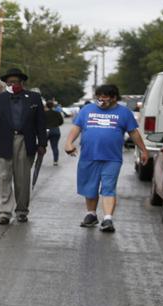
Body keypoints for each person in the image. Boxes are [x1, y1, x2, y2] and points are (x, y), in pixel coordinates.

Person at [64, 83, 148, 234]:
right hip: (89, 156)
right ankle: (91, 214)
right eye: (98, 97)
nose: (100, 100)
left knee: (108, 187)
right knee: (90, 187)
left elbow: (134, 133)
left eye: (104, 97)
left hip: (112, 158)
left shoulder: (124, 113)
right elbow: (77, 127)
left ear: (114, 98)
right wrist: (69, 143)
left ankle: (108, 219)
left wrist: (143, 150)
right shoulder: (87, 110)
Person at [0, 68, 43, 224]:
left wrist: (42, 143)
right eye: (9, 82)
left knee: (22, 179)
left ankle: (22, 211)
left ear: (21, 82)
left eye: (15, 82)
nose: (12, 84)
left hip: (25, 141)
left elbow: (40, 123)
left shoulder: (34, 98)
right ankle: (4, 212)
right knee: (3, 177)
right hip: (4, 142)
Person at [43, 98, 65, 166]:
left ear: (46, 106)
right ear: (53, 106)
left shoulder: (44, 113)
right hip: (55, 130)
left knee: (42, 146)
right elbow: (61, 121)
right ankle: (55, 161)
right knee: (55, 146)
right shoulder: (57, 113)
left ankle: (40, 159)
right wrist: (56, 124)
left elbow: (41, 122)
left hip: (46, 130)